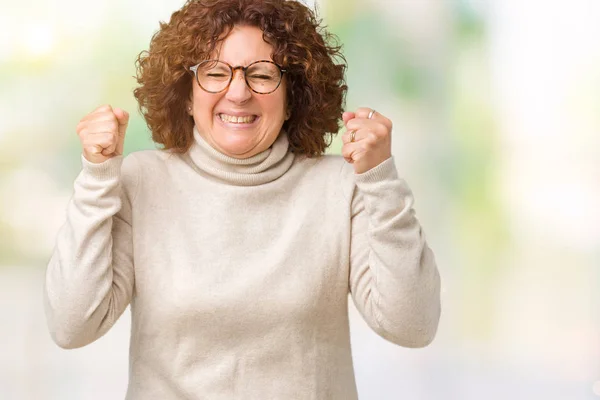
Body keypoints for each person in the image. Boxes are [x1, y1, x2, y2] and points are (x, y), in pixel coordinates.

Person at [44, 0, 441, 398]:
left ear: (292, 95)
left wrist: (381, 179)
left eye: (262, 74)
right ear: (185, 95)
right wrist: (97, 179)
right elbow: (72, 325)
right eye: (215, 73)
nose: (238, 92)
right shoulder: (141, 180)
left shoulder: (339, 186)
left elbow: (413, 325)